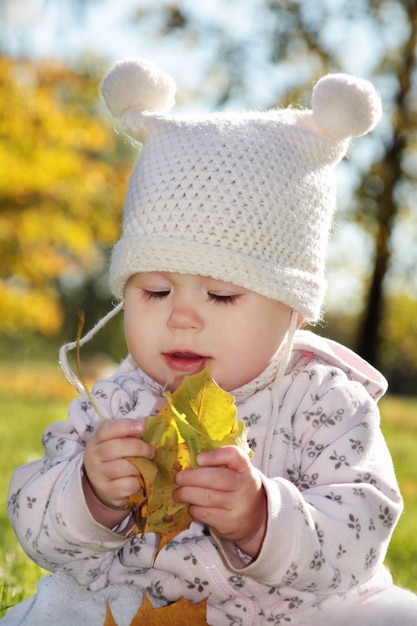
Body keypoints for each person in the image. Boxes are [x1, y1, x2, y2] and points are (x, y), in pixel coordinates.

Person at [2, 58, 417, 626]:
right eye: (153, 291)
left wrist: (260, 520)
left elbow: (361, 532)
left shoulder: (325, 403)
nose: (182, 319)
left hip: (290, 611)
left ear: (293, 310)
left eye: (221, 296)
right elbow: (33, 522)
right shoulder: (121, 400)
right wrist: (90, 495)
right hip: (131, 603)